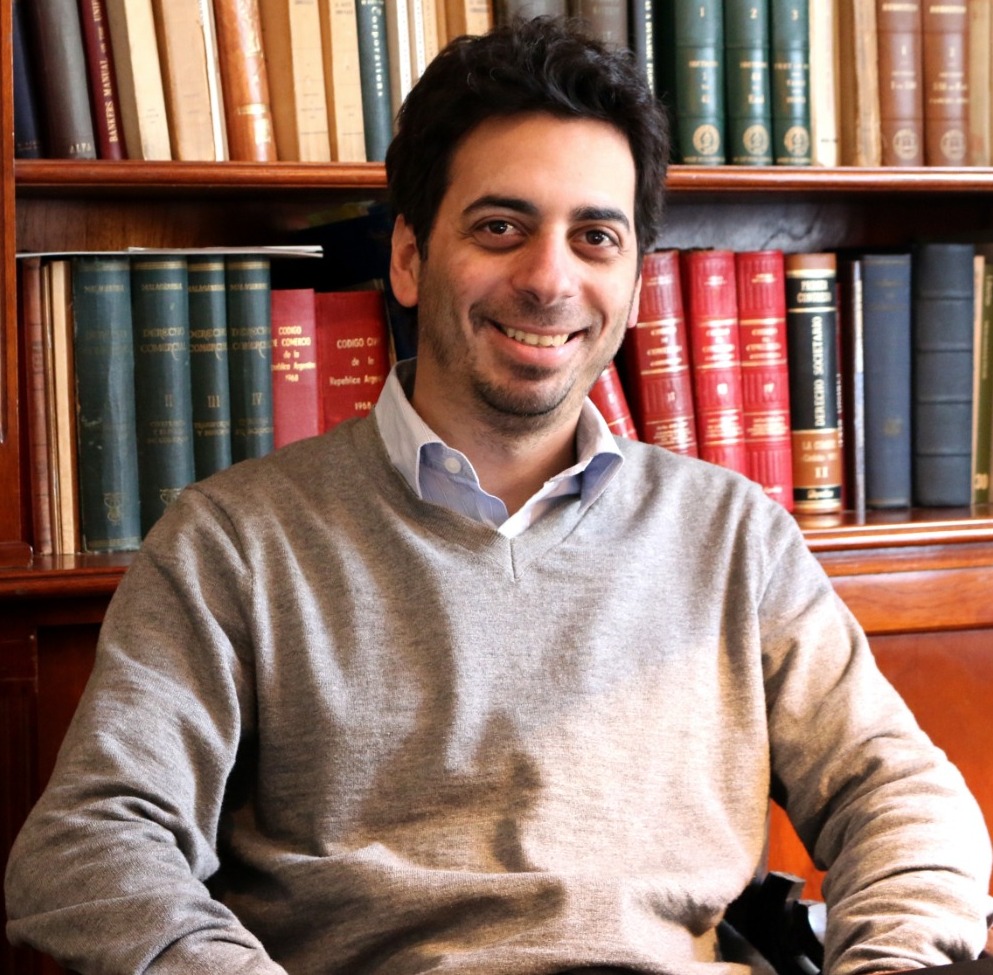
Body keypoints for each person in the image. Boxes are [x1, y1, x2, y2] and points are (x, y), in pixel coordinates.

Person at [5, 16, 992, 975]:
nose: (548, 279)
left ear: (634, 282)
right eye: (500, 226)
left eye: (595, 237)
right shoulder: (233, 541)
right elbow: (91, 840)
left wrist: (889, 960)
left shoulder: (734, 536)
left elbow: (901, 795)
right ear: (407, 256)